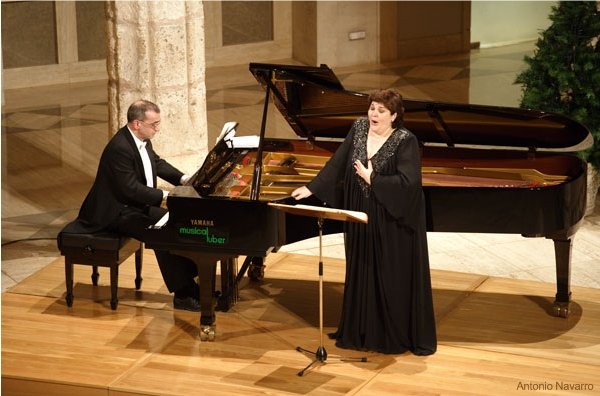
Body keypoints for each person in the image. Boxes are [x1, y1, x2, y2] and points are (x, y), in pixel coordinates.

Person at [291, 88, 436, 355]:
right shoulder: (358, 128)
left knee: (387, 274)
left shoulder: (406, 140)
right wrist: (312, 187)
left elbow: (410, 184)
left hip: (390, 219)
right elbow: (338, 161)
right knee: (362, 269)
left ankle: (390, 335)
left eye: (381, 110)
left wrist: (374, 179)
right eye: (372, 108)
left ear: (394, 115)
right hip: (359, 213)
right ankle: (361, 331)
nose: (374, 114)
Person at [63, 99, 201, 311]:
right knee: (162, 233)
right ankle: (183, 295)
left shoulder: (142, 139)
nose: (158, 128)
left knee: (176, 224)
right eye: (154, 124)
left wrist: (183, 179)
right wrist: (167, 196)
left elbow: (157, 163)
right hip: (114, 212)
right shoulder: (120, 148)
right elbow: (130, 189)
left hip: (134, 206)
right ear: (137, 123)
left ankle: (191, 286)